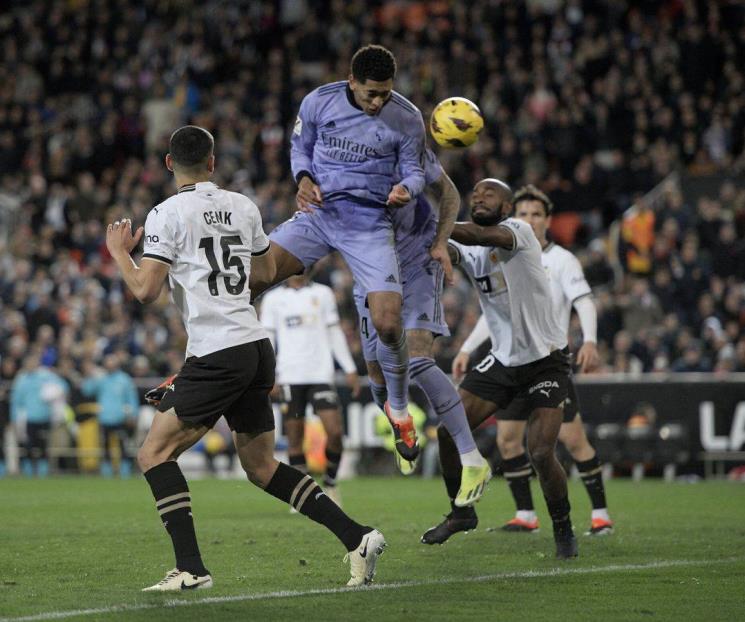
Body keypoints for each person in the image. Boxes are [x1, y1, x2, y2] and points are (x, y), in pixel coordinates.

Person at [105, 125, 386, 592]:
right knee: (261, 467)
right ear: (213, 162)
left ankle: (191, 568)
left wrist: (120, 254)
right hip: (255, 346)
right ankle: (357, 537)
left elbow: (145, 290)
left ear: (169, 163)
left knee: (153, 454)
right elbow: (264, 272)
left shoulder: (165, 213)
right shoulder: (242, 206)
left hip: (218, 350)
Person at [252, 44, 428, 467]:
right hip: (319, 214)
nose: (378, 101)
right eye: (371, 93)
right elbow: (300, 149)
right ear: (352, 81)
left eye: (385, 93)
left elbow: (417, 170)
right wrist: (305, 177)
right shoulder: (318, 101)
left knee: (387, 322)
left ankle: (399, 412)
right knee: (254, 277)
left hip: (369, 222)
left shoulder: (407, 117)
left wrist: (408, 189)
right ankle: (199, 363)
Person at [421, 178, 579, 559]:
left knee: (540, 452)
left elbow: (474, 235)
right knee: (447, 433)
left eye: (489, 194)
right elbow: (452, 249)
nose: (479, 196)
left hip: (546, 360)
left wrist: (433, 223)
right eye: (475, 194)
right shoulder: (473, 247)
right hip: (504, 361)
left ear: (507, 207)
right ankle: (461, 513)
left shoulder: (518, 232)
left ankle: (563, 527)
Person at [452, 185, 614, 536]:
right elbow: (492, 310)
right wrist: (467, 348)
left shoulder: (560, 259)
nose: (529, 219)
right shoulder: (487, 252)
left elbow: (584, 301)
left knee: (566, 441)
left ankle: (600, 513)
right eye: (524, 213)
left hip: (548, 358)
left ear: (547, 220)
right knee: (508, 440)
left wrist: (590, 340)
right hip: (508, 360)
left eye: (536, 214)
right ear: (515, 213)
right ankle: (525, 514)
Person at [353, 147, 491, 504]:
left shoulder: (406, 144)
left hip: (418, 261)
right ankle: (403, 427)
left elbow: (448, 192)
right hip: (370, 271)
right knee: (376, 370)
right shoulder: (337, 156)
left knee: (415, 355)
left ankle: (472, 457)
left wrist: (442, 242)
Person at [260, 273, 360, 507]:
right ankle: (304, 495)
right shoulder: (274, 298)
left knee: (335, 432)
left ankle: (331, 482)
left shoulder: (322, 293)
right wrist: (268, 374)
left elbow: (334, 332)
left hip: (320, 374)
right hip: (290, 376)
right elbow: (268, 339)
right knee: (295, 438)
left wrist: (349, 367)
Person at [10, 352, 69, 477]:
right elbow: (16, 401)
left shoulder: (46, 376)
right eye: (29, 363)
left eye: (34, 362)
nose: (31, 365)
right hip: (29, 418)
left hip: (45, 417)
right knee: (29, 446)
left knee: (44, 445)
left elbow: (63, 387)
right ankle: (30, 470)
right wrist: (15, 419)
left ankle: (43, 470)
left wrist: (55, 392)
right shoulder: (22, 380)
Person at [81, 353, 140, 478]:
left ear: (116, 364)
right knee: (106, 447)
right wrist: (90, 375)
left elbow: (131, 398)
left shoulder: (124, 379)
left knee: (122, 446)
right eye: (107, 362)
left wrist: (133, 415)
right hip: (105, 418)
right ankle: (107, 473)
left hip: (120, 418)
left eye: (111, 362)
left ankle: (125, 473)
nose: (109, 365)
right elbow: (87, 390)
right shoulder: (101, 379)